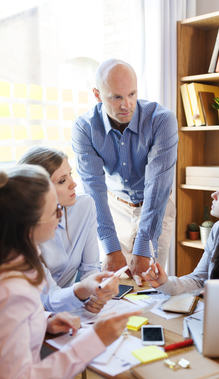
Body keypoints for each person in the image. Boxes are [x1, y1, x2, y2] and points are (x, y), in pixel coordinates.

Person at [0, 165, 190, 379]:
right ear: (28, 227)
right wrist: (95, 341)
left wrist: (44, 320)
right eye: (55, 212)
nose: (61, 217)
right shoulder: (10, 290)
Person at [71, 58, 178, 286]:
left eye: (131, 94)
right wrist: (110, 247)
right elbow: (93, 189)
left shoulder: (162, 120)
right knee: (115, 285)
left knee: (148, 284)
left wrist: (143, 245)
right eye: (116, 97)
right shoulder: (84, 128)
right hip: (113, 207)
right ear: (98, 95)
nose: (126, 105)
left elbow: (157, 187)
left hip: (155, 205)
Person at [19, 146, 106, 314]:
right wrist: (82, 291)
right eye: (62, 181)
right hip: (31, 315)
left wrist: (93, 294)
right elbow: (47, 298)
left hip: (67, 312)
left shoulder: (84, 206)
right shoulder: (25, 232)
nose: (74, 184)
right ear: (37, 193)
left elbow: (91, 268)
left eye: (70, 175)